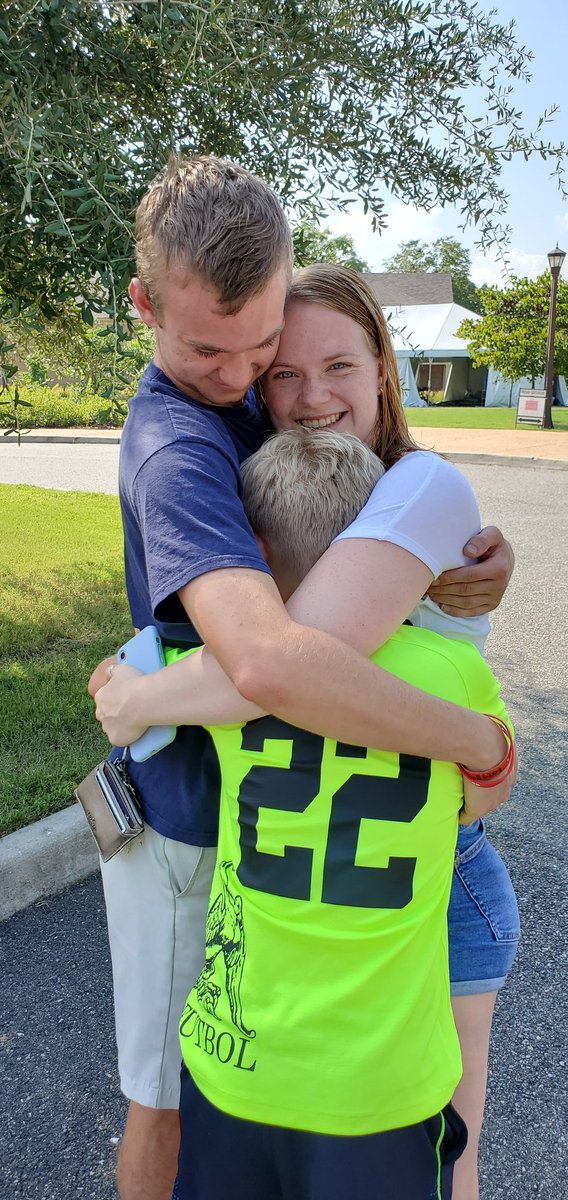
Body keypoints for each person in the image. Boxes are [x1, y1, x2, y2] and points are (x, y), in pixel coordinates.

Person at [89, 160, 514, 1200]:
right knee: (167, 1101)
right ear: (145, 307)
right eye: (226, 356)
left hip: (385, 860)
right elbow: (275, 659)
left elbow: (279, 659)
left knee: (439, 1142)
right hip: (225, 838)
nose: (263, 385)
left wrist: (141, 696)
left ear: (383, 368)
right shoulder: (190, 444)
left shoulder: (394, 475)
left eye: (265, 346)